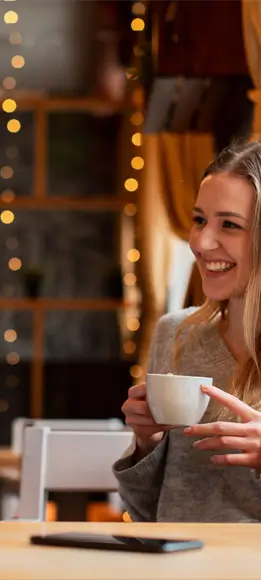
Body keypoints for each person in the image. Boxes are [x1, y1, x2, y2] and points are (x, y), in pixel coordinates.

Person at [114, 140, 261, 523]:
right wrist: (147, 443)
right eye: (199, 220)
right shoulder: (175, 334)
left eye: (229, 224)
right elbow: (148, 515)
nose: (201, 241)